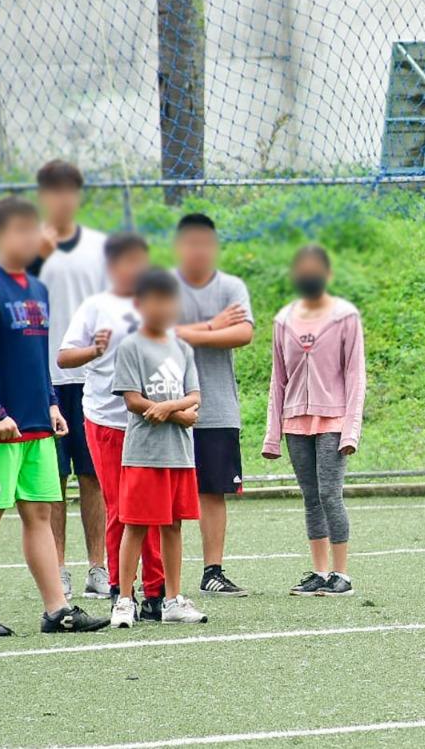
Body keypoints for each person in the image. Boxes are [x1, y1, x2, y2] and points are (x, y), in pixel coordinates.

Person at [0, 196, 109, 636]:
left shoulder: (36, 290)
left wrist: (51, 404)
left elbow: (36, 357)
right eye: (20, 231)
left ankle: (56, 609)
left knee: (39, 513)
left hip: (36, 426)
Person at [58, 232, 167, 621]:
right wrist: (95, 350)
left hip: (152, 422)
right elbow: (65, 357)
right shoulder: (95, 307)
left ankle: (158, 592)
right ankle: (123, 591)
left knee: (155, 508)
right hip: (106, 421)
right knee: (121, 508)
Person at [262, 245, 366, 597]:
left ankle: (342, 574)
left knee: (329, 494)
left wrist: (351, 430)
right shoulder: (283, 320)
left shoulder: (345, 318)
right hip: (295, 422)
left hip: (333, 419)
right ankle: (320, 573)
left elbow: (355, 376)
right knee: (310, 496)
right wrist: (271, 436)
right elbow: (278, 380)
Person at [28, 160, 109, 601]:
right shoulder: (29, 251)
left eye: (69, 190)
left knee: (93, 476)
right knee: (52, 479)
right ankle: (57, 567)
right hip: (44, 381)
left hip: (92, 379)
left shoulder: (100, 249)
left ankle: (98, 565)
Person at [110, 268, 207, 627]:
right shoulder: (131, 346)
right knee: (134, 525)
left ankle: (172, 600)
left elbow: (195, 396)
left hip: (179, 454)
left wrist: (169, 409)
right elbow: (134, 401)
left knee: (174, 526)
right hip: (144, 453)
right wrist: (177, 413)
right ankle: (123, 601)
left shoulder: (182, 347)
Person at [172, 213, 255, 597]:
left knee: (213, 491)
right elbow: (157, 334)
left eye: (206, 243)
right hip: (169, 409)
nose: (199, 251)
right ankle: (160, 579)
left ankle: (212, 571)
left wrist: (190, 333)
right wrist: (211, 326)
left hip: (217, 406)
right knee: (165, 493)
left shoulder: (231, 286)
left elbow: (242, 333)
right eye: (191, 243)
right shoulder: (165, 287)